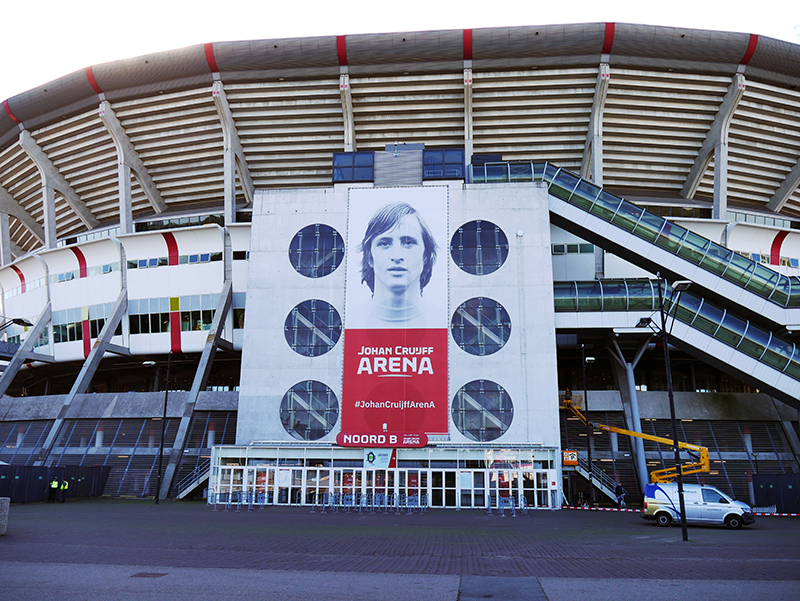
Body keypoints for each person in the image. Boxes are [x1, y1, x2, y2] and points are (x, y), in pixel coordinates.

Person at [356, 202, 439, 328]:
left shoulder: (443, 322)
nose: (396, 256)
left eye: (408, 242)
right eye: (384, 243)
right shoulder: (350, 322)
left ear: (425, 256)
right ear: (369, 256)